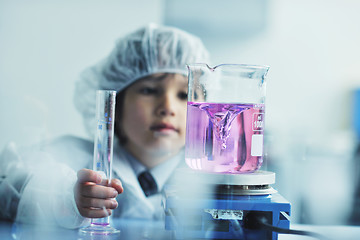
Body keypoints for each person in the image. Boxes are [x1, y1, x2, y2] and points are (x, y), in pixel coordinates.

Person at [0, 23, 210, 229]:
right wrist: (66, 199)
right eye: (149, 90)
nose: (167, 108)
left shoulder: (213, 179)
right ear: (114, 107)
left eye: (184, 95)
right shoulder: (70, 157)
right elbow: (10, 183)